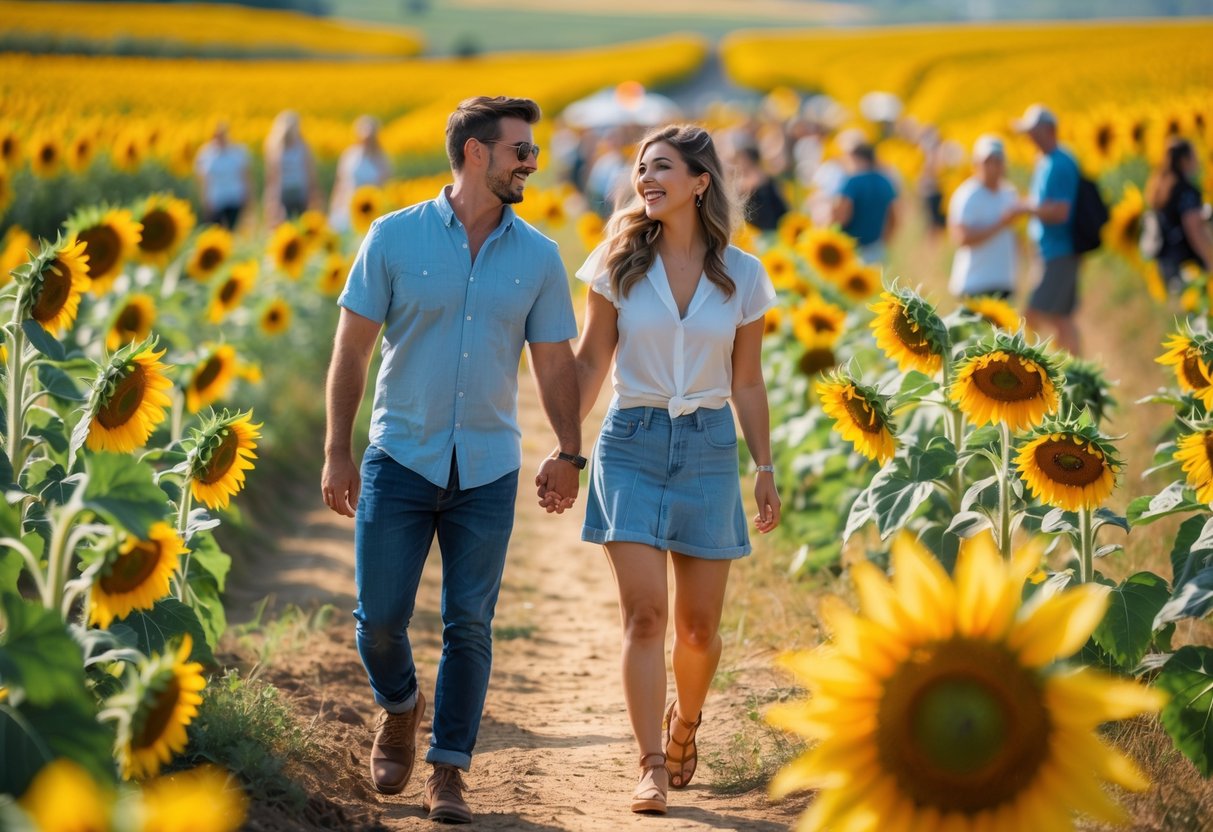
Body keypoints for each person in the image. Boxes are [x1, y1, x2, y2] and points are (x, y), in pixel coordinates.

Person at [322, 96, 582, 825]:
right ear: (475, 152)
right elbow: (351, 352)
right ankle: (399, 706)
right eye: (519, 151)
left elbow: (556, 365)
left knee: (469, 624)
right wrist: (336, 450)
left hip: (488, 468)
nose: (531, 163)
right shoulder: (392, 238)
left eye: (531, 151)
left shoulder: (538, 255)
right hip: (399, 456)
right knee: (378, 621)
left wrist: (570, 450)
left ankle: (449, 770)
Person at [566, 124, 781, 816]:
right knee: (645, 617)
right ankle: (649, 765)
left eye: (660, 167)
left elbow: (746, 382)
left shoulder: (743, 275)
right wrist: (566, 444)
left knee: (696, 628)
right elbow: (591, 360)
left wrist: (764, 465)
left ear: (700, 181)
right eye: (639, 168)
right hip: (630, 439)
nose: (644, 179)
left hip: (711, 446)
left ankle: (685, 723)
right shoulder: (615, 260)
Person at [1017, 104, 1082, 355]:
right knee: (1059, 317)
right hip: (1050, 251)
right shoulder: (1046, 161)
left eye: (1034, 132)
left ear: (1049, 130)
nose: (1030, 138)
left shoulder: (1060, 163)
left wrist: (1028, 208)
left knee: (1033, 314)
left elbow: (1062, 211)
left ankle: (1036, 365)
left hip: (1059, 251)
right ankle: (1075, 372)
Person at [947, 135, 1026, 300]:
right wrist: (1001, 223)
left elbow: (1016, 235)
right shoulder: (967, 195)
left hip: (1004, 282)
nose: (993, 167)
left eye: (998, 161)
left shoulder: (1009, 193)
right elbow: (962, 237)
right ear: (976, 164)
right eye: (988, 161)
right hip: (974, 284)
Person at [1145, 136, 1213, 291]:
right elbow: (1193, 229)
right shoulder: (1186, 192)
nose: (1198, 161)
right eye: (1194, 156)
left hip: (1169, 265)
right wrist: (1210, 262)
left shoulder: (1163, 188)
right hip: (1189, 267)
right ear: (1184, 160)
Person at [833, 137, 898, 263]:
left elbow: (843, 215)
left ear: (857, 158)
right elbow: (894, 217)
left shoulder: (853, 182)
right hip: (876, 246)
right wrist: (885, 240)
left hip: (852, 247)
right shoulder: (885, 181)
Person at [329, 115, 393, 232]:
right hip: (348, 205)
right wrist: (335, 206)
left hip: (372, 208)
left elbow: (385, 185)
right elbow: (341, 183)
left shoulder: (380, 158)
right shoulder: (350, 155)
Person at [263, 110, 319, 226]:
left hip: (300, 192)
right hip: (283, 193)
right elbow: (272, 176)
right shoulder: (275, 147)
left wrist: (312, 193)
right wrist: (272, 200)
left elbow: (309, 172)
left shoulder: (303, 147)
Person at [194, 120, 252, 230]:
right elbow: (204, 180)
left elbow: (245, 177)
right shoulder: (206, 153)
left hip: (234, 197)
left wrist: (248, 198)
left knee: (231, 229)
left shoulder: (238, 152)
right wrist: (205, 200)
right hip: (216, 199)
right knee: (215, 229)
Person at [733, 144, 788, 231]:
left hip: (767, 224)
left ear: (749, 160)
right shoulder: (764, 175)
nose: (739, 163)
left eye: (742, 160)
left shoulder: (758, 178)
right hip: (763, 225)